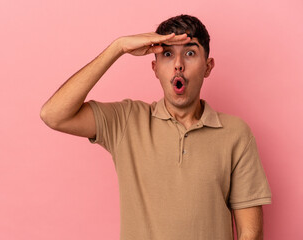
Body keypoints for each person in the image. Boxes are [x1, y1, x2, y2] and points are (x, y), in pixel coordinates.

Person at [40, 14, 272, 240]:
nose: (178, 65)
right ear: (155, 68)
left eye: (190, 53)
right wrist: (117, 48)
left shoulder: (236, 133)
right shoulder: (127, 121)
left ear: (208, 67)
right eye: (168, 54)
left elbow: (250, 232)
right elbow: (53, 115)